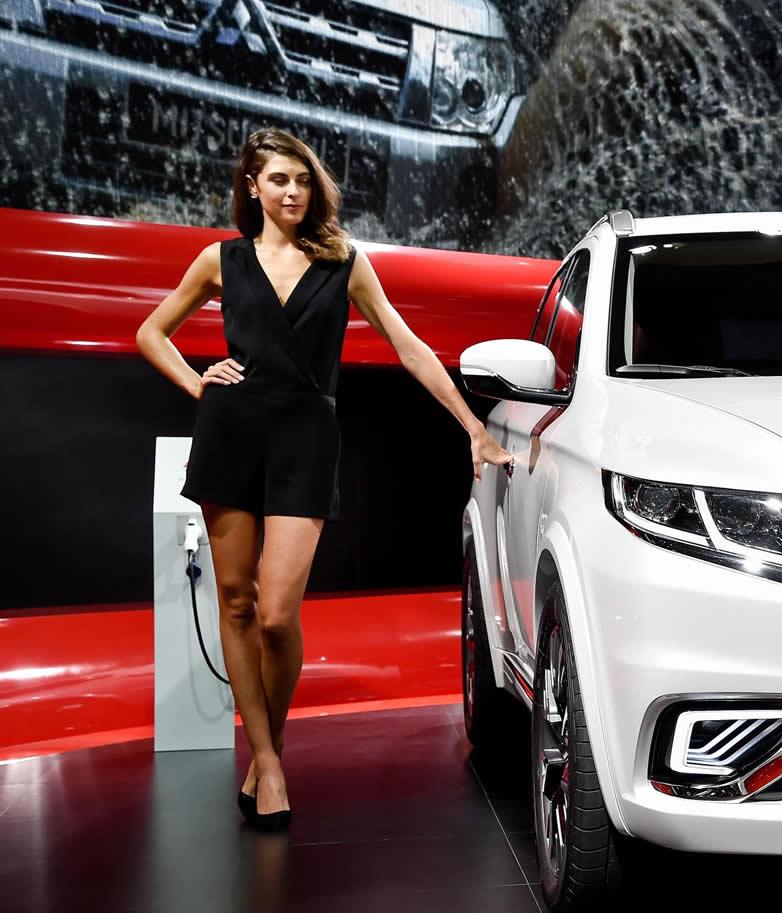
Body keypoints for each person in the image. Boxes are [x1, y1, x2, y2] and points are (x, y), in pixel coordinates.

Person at [135, 128, 513, 830]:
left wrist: (473, 426)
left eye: (303, 180)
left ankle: (269, 748)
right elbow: (150, 332)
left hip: (306, 440)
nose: (292, 191)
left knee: (278, 613)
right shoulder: (220, 259)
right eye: (279, 179)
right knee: (236, 603)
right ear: (252, 186)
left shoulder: (344, 261)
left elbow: (408, 345)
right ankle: (267, 761)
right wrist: (198, 383)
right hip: (230, 436)